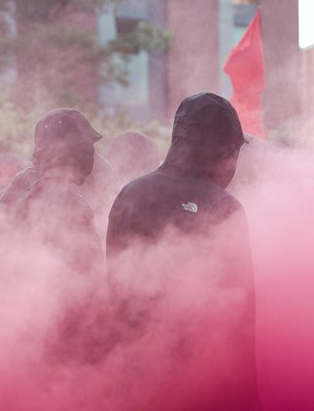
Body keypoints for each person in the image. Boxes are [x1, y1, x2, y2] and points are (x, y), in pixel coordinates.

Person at [105, 92, 261, 410]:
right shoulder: (224, 207)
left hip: (137, 379)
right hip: (204, 385)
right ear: (219, 149)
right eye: (233, 150)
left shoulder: (130, 194)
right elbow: (240, 319)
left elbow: (115, 291)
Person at [0, 108, 104, 275]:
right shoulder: (68, 202)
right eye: (85, 148)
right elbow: (89, 268)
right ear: (68, 152)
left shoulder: (21, 182)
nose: (91, 154)